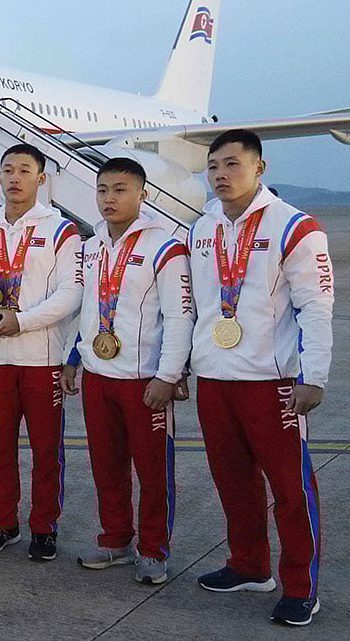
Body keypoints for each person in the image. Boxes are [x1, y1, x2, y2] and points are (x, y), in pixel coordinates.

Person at [188, 130, 332, 626]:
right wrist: (186, 364)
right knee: (232, 482)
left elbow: (316, 305)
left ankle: (301, 586)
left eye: (232, 164)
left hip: (273, 382)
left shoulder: (295, 226)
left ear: (259, 167)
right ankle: (248, 564)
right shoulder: (201, 226)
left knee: (291, 490)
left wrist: (314, 375)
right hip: (215, 377)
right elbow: (199, 307)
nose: (222, 175)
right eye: (213, 167)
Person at [60, 157, 193, 584]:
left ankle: (154, 550)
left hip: (144, 381)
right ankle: (115, 538)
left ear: (143, 194)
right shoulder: (93, 245)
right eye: (102, 190)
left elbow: (179, 316)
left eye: (120, 189)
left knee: (153, 471)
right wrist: (73, 357)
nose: (109, 199)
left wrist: (168, 375)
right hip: (99, 376)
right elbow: (87, 310)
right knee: (106, 465)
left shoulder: (166, 247)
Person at [0, 144, 82, 561]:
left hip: (42, 357)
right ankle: (3, 522)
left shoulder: (61, 231)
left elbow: (71, 294)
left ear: (41, 178)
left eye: (24, 170)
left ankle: (44, 526)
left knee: (45, 449)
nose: (15, 178)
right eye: (7, 170)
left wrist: (24, 320)